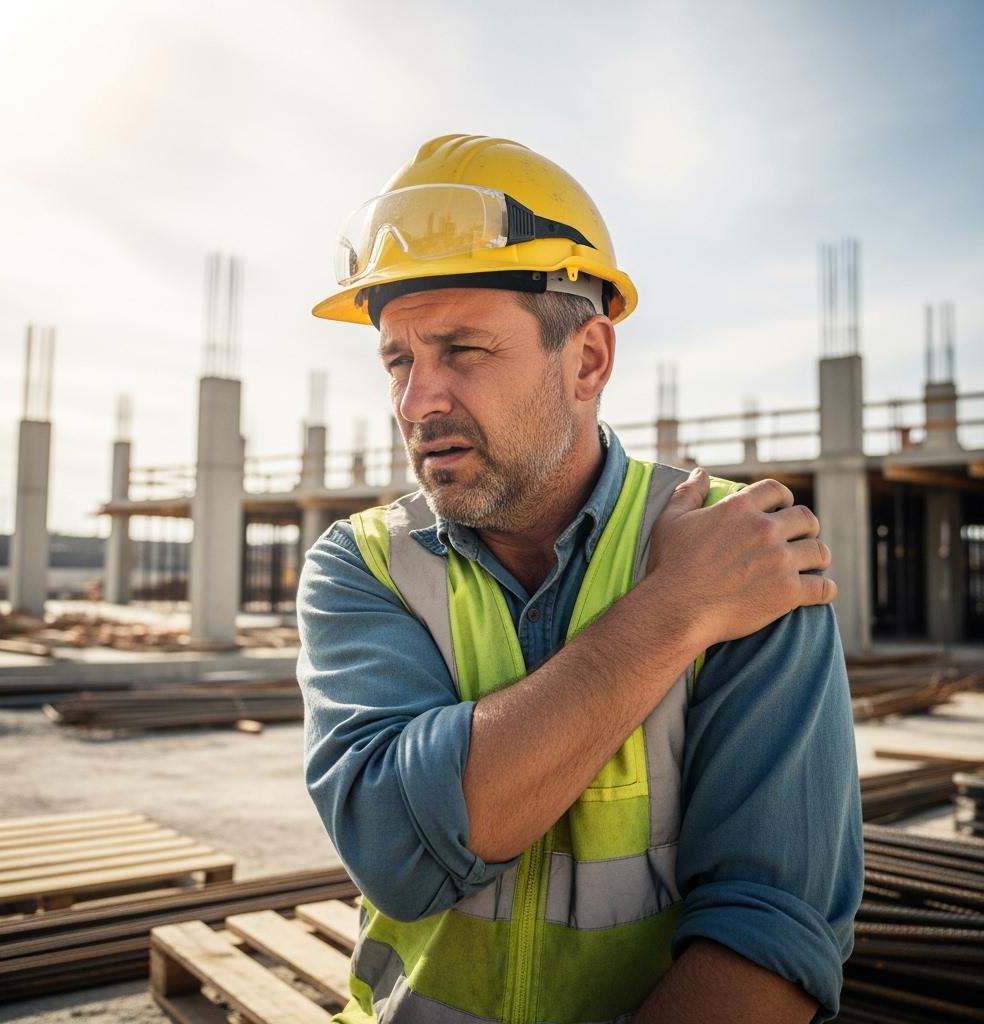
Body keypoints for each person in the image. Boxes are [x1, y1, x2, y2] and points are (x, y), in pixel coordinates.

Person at [299, 134, 863, 1024]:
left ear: (588, 360)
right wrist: (674, 610)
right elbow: (397, 850)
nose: (416, 402)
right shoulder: (365, 562)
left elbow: (774, 934)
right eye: (399, 360)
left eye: (462, 351)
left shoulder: (746, 548)